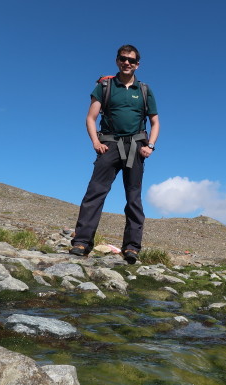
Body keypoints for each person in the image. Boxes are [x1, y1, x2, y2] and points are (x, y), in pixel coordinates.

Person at [69, 44, 160, 264]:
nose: (127, 63)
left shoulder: (145, 90)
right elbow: (91, 117)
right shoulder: (105, 86)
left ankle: (131, 249)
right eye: (123, 59)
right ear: (117, 60)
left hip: (136, 148)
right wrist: (95, 142)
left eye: (131, 60)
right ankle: (82, 243)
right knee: (95, 193)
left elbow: (155, 122)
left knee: (134, 198)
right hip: (109, 146)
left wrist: (151, 146)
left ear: (138, 64)